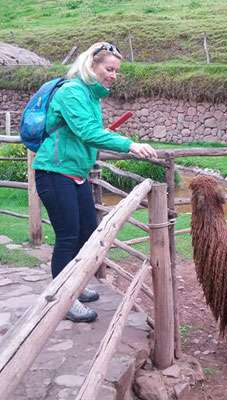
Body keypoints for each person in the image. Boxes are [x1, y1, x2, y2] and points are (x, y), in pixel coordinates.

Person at [33, 42, 158, 323]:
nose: (113, 75)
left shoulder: (91, 97)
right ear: (92, 64)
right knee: (68, 235)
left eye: (116, 71)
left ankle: (72, 285)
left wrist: (109, 139)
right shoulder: (72, 92)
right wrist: (129, 144)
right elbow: (87, 132)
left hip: (75, 174)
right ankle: (62, 299)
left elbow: (89, 133)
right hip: (54, 172)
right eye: (109, 68)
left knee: (87, 230)